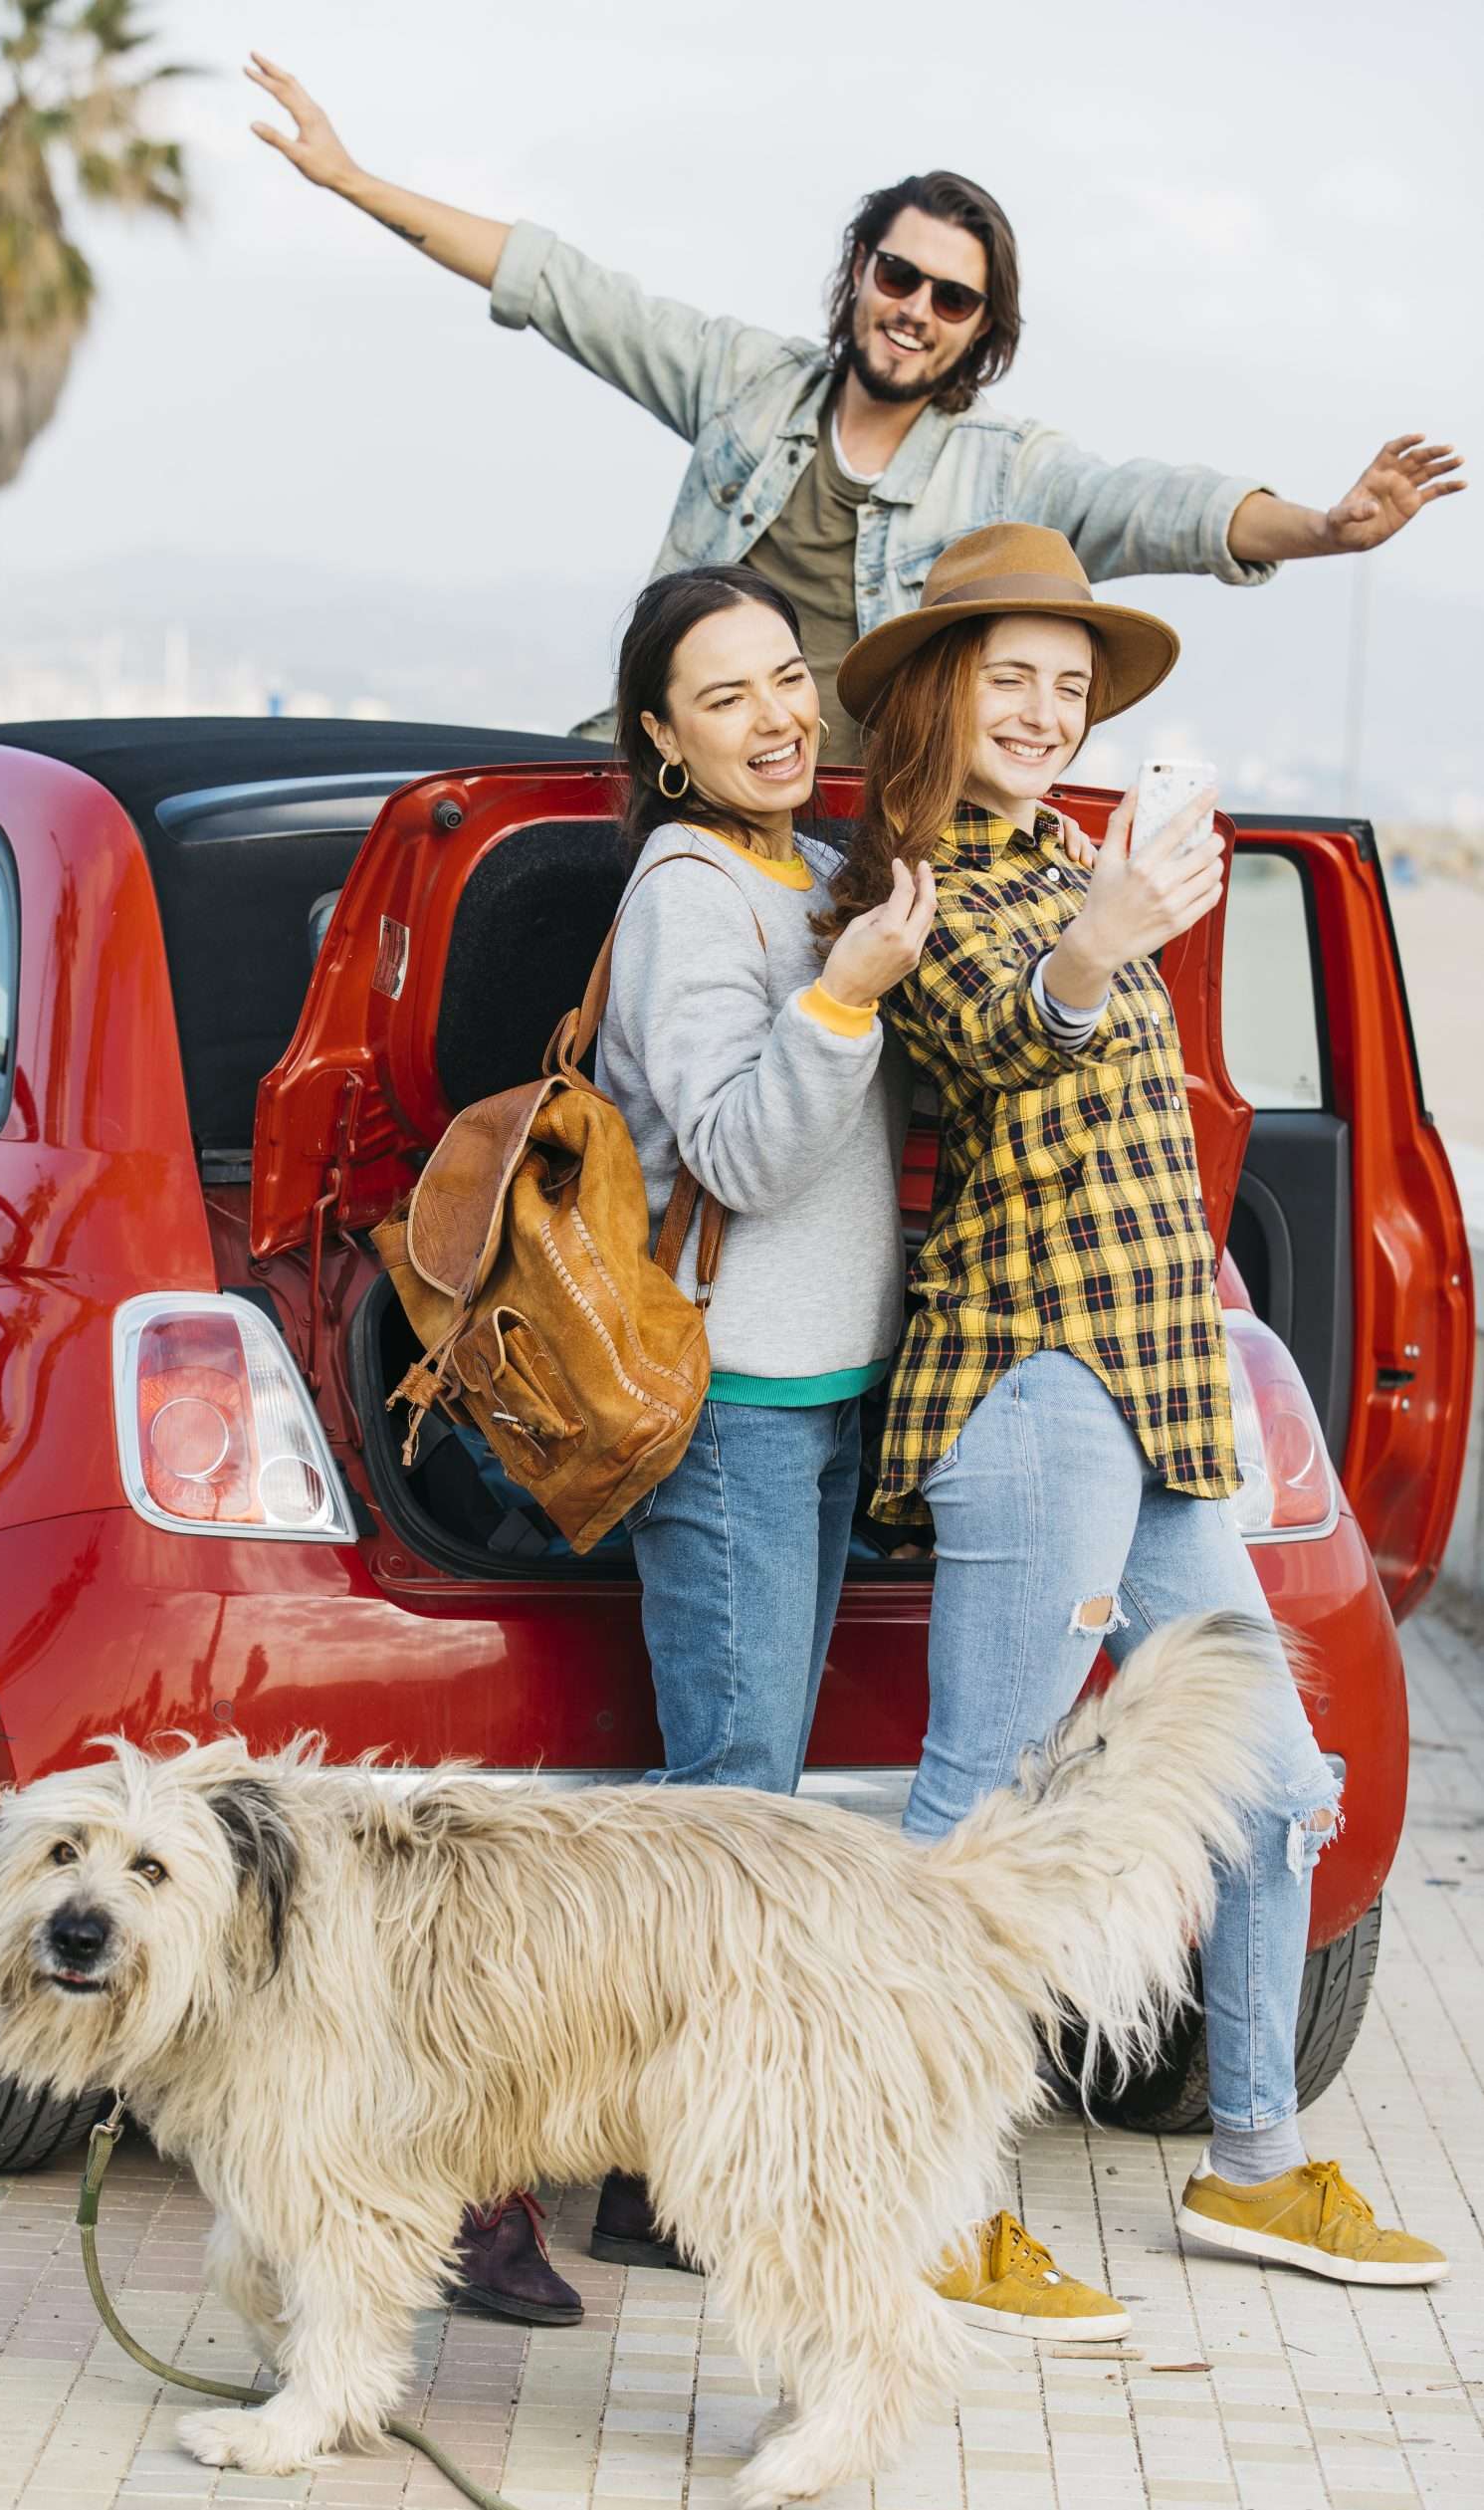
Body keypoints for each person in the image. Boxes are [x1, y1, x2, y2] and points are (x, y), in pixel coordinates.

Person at [815, 521, 1447, 2336]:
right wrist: (1094, 945)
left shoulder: (1089, 860)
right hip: (1031, 1385)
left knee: (1264, 1786)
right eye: (1007, 675)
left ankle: (1250, 2164)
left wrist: (1115, 913)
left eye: (1067, 688)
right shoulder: (915, 878)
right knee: (985, 1795)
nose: (1039, 708)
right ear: (937, 691)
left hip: (1159, 1386)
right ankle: (927, 2198)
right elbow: (990, 1048)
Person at [245, 52, 1464, 756]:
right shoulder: (745, 382)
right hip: (677, 774)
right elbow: (564, 286)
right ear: (859, 273)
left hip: (849, 821)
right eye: (898, 274)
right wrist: (351, 180)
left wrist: (1322, 527)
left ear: (982, 329)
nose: (915, 307)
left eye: (952, 296)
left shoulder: (1002, 470)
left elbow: (1158, 507)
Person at [585, 560, 932, 2271]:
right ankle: (605, 2180)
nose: (775, 717)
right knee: (725, 1807)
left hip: (814, 1399)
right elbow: (733, 1151)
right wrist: (847, 993)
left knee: (757, 1800)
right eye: (723, 698)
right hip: (723, 1411)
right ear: (660, 738)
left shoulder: (801, 870)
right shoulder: (686, 894)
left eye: (786, 678)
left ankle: (667, 2163)